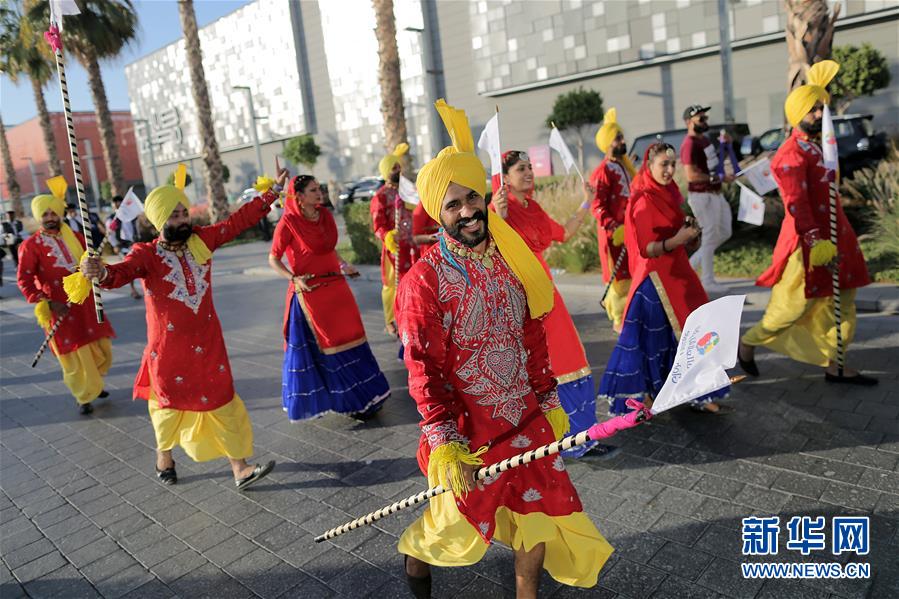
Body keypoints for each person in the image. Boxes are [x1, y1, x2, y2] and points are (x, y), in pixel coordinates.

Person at [397, 100, 621, 599]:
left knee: (539, 516)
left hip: (525, 415)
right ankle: (415, 557)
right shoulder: (423, 281)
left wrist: (548, 398)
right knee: (452, 527)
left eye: (472, 198)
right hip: (467, 427)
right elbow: (423, 366)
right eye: (452, 205)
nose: (468, 211)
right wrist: (444, 439)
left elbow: (532, 337)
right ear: (439, 213)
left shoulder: (513, 259)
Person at [78, 164, 277, 489]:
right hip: (168, 350)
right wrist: (98, 272)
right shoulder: (147, 254)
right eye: (174, 216)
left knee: (223, 399)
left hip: (209, 342)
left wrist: (270, 194)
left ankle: (239, 467)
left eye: (184, 213)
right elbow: (120, 274)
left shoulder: (201, 241)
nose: (183, 220)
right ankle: (164, 457)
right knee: (169, 407)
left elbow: (236, 223)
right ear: (159, 220)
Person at [738, 61, 876, 386]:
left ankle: (835, 364)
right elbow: (796, 204)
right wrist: (817, 242)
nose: (819, 114)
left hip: (836, 234)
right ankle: (749, 342)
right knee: (793, 306)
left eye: (821, 107)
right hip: (807, 243)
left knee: (842, 298)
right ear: (797, 112)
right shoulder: (789, 154)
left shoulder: (819, 146)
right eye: (813, 109)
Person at [490, 150, 610, 459]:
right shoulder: (495, 211)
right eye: (520, 168)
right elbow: (489, 250)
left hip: (548, 292)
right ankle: (557, 440)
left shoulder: (534, 207)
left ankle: (580, 436)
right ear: (504, 176)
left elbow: (565, 233)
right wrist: (498, 219)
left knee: (570, 357)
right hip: (522, 296)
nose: (528, 173)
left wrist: (586, 201)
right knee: (547, 363)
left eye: (530, 167)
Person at [598, 141, 732, 415]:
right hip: (655, 282)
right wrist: (678, 239)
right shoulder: (644, 199)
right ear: (649, 166)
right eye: (664, 164)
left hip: (678, 274)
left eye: (673, 164)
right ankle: (645, 396)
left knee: (693, 332)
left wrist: (689, 234)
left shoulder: (667, 193)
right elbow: (647, 249)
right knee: (655, 342)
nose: (670, 169)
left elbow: (675, 235)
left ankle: (699, 393)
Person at [268, 174, 391, 420]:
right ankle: (349, 401)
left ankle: (367, 396)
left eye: (319, 188)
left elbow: (328, 248)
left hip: (337, 287)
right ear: (299, 197)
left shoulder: (324, 216)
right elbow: (273, 258)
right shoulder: (288, 222)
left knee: (354, 337)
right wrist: (294, 278)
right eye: (313, 190)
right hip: (312, 294)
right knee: (331, 346)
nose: (319, 193)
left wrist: (345, 266)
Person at [17, 177, 115, 415]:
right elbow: (25, 280)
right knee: (73, 354)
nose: (50, 217)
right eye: (45, 214)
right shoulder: (30, 246)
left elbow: (91, 258)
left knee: (100, 347)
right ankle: (84, 395)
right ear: (38, 217)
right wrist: (48, 303)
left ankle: (94, 384)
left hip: (85, 302)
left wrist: (96, 265)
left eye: (54, 213)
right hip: (60, 307)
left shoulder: (77, 236)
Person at [591, 108, 636, 331]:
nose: (622, 141)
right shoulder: (603, 171)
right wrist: (614, 228)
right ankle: (619, 320)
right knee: (620, 280)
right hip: (614, 237)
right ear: (608, 143)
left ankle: (630, 317)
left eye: (621, 136)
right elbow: (596, 205)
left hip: (630, 232)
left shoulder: (623, 166)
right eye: (618, 137)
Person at [680, 105, 733, 294]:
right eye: (700, 119)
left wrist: (726, 147)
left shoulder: (705, 140)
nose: (705, 122)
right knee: (710, 236)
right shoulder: (689, 144)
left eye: (705, 118)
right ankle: (707, 279)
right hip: (702, 196)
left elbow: (713, 163)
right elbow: (691, 175)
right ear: (689, 122)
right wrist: (718, 178)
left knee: (725, 231)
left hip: (715, 193)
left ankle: (690, 267)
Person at [370, 143, 417, 337]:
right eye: (393, 168)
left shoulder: (407, 189)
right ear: (385, 172)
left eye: (398, 167)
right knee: (391, 286)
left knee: (413, 283)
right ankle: (390, 320)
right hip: (394, 249)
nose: (398, 170)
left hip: (413, 245)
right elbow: (378, 226)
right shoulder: (380, 197)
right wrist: (388, 236)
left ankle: (412, 316)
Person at [106, 195, 142, 299]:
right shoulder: (112, 219)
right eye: (115, 203)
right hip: (123, 246)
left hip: (134, 243)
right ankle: (133, 289)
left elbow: (137, 228)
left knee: (139, 266)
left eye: (119, 202)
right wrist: (115, 245)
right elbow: (110, 235)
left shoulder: (132, 216)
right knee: (129, 267)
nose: (117, 204)